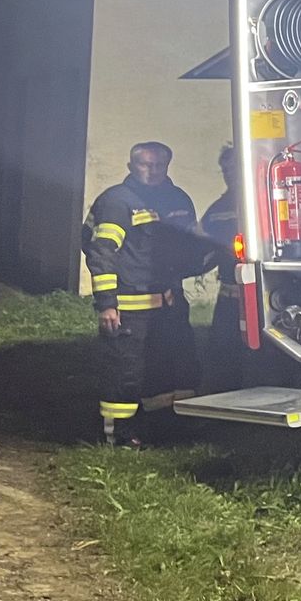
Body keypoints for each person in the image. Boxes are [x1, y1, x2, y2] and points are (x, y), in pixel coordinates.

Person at [81, 141, 216, 446]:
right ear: (131, 167)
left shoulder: (178, 200)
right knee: (127, 373)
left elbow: (189, 249)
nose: (153, 171)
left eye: (159, 165)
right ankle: (119, 435)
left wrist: (217, 255)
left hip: (170, 305)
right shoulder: (117, 202)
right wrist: (107, 304)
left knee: (173, 367)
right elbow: (101, 253)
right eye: (145, 164)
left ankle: (165, 428)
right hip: (130, 308)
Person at [199, 143, 244, 394]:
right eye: (225, 170)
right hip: (229, 298)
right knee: (222, 356)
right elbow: (201, 249)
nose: (230, 175)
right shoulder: (218, 210)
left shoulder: (267, 201)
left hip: (264, 297)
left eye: (235, 168)